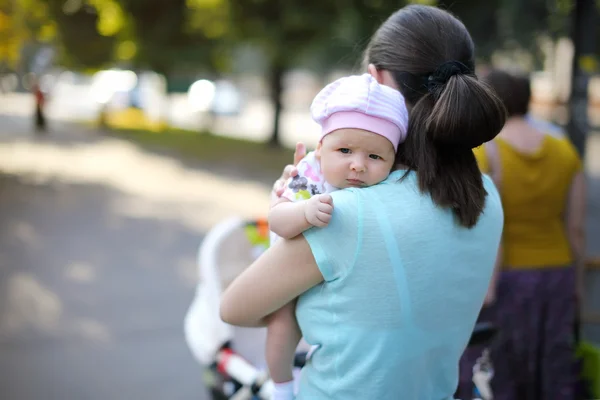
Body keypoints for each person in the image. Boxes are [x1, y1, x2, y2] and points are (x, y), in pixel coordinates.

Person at [220, 5, 506, 399]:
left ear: (374, 80)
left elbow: (235, 308)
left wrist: (293, 202)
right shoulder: (488, 196)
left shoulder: (345, 214)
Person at [266, 74, 409, 400]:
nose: (357, 165)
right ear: (321, 148)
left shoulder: (388, 186)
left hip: (340, 276)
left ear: (393, 161)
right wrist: (303, 212)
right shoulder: (311, 173)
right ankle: (282, 387)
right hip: (289, 270)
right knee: (283, 322)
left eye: (375, 157)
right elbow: (277, 219)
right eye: (344, 150)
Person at [457, 70, 586, 400]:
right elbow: (576, 227)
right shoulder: (565, 152)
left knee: (504, 368)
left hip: (506, 279)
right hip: (558, 270)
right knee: (554, 364)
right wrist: (579, 283)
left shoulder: (484, 153)